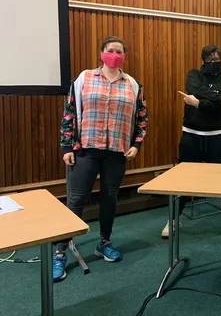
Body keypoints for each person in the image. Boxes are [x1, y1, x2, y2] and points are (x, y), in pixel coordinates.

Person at [56, 36, 149, 282]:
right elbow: (69, 113)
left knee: (109, 199)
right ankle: (60, 252)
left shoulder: (132, 84)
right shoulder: (84, 79)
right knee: (76, 200)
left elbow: (142, 117)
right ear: (102, 53)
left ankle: (104, 243)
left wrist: (137, 145)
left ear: (124, 56)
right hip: (86, 149)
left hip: (117, 152)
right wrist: (67, 146)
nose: (115, 55)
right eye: (111, 50)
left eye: (119, 52)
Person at [161, 45, 221, 238]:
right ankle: (174, 218)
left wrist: (198, 102)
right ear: (203, 60)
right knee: (183, 179)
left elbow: (211, 106)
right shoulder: (194, 75)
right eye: (210, 59)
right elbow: (195, 89)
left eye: (217, 59)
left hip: (216, 136)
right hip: (191, 134)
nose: (214, 62)